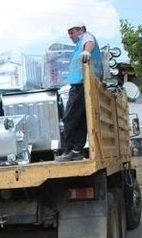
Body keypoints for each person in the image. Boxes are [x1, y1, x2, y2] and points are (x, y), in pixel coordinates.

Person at [56, 22, 103, 162]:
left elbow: (90, 42)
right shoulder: (78, 45)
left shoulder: (86, 37)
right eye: (69, 33)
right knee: (81, 119)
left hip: (82, 84)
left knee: (69, 117)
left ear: (81, 30)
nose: (70, 35)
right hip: (83, 84)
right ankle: (77, 150)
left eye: (72, 32)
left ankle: (69, 149)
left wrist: (87, 52)